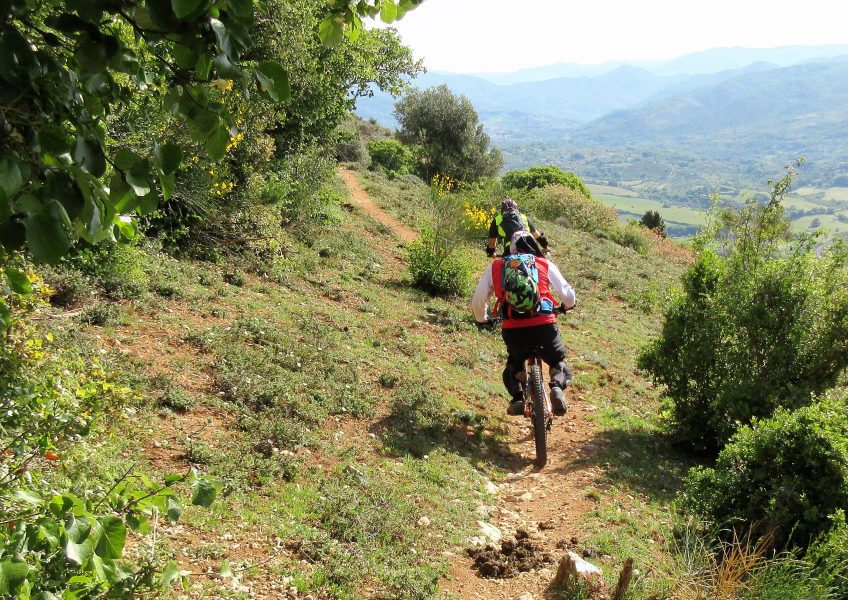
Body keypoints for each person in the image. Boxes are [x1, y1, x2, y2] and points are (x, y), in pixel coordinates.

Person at [472, 231, 576, 416]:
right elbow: (568, 296)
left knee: (515, 363)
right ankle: (557, 387)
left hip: (514, 329)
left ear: (511, 248)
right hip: (544, 325)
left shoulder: (497, 266)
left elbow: (478, 300)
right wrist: (566, 307)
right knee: (557, 360)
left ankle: (519, 397)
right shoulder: (543, 263)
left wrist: (483, 319)